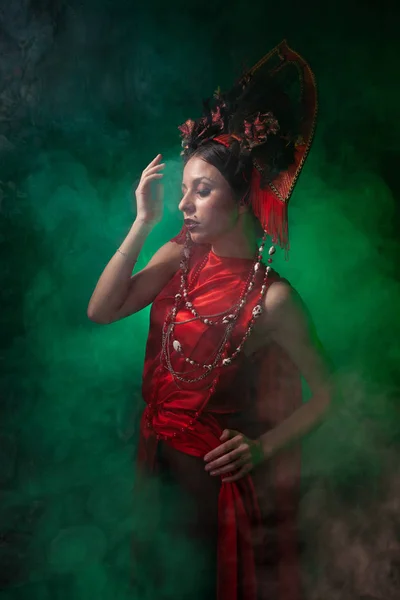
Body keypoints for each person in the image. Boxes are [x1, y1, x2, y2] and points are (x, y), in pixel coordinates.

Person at [87, 40, 332, 600]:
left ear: (243, 200)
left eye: (202, 192)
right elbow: (102, 310)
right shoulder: (177, 253)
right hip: (159, 468)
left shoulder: (275, 301)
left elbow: (327, 394)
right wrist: (142, 222)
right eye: (184, 191)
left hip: (219, 489)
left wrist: (263, 449)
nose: (185, 206)